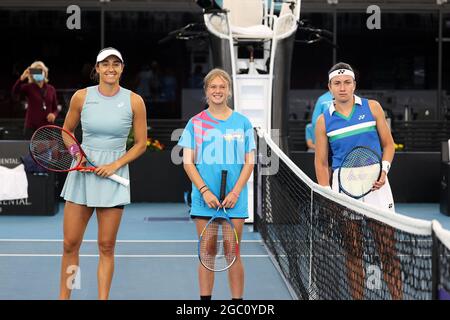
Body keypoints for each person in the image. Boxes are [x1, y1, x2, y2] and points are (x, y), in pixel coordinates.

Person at [58, 47, 147, 300]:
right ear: (96, 69)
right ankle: (66, 297)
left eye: (115, 64)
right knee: (70, 244)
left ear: (122, 68)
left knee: (106, 246)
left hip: (114, 177)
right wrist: (77, 153)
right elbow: (66, 131)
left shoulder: (134, 101)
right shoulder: (80, 97)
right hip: (82, 175)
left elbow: (141, 143)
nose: (110, 68)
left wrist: (115, 165)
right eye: (105, 64)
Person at [314, 62, 401, 300]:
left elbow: (389, 144)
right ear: (329, 87)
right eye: (337, 83)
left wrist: (384, 170)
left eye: (347, 82)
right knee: (353, 252)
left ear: (354, 84)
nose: (343, 88)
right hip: (345, 188)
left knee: (388, 251)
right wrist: (327, 194)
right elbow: (321, 163)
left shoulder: (372, 108)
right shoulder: (323, 121)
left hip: (377, 186)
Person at [178, 68, 255, 300]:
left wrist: (235, 192)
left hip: (235, 198)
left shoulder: (242, 123)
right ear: (206, 91)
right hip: (204, 199)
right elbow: (188, 163)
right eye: (213, 87)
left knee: (233, 252)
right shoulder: (195, 123)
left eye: (222, 87)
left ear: (229, 91)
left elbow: (249, 162)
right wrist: (204, 191)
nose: (218, 91)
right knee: (207, 252)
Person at [12, 61, 59, 139]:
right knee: (29, 150)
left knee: (48, 151)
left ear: (45, 72)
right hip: (31, 128)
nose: (39, 73)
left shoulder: (51, 89)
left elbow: (56, 108)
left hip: (47, 128)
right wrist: (22, 78)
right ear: (32, 74)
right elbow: (14, 92)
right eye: (36, 71)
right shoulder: (28, 87)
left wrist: (54, 114)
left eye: (40, 70)